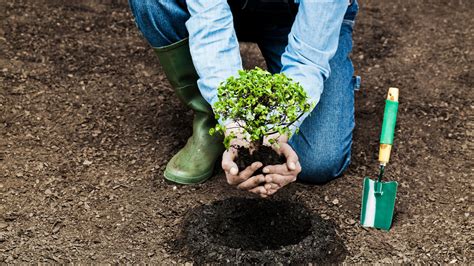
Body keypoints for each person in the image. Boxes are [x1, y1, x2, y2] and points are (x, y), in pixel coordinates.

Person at [128, 0, 360, 197]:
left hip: (297, 17)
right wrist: (233, 122)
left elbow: (307, 59)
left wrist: (279, 126)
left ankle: (265, 106)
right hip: (229, 7)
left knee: (317, 162)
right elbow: (210, 25)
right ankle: (210, 120)